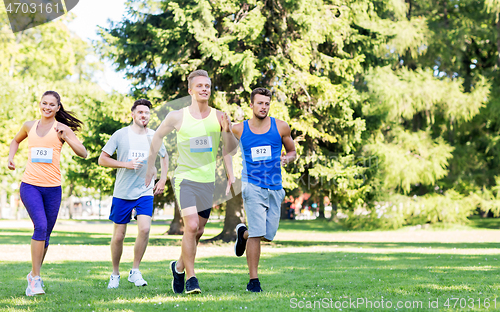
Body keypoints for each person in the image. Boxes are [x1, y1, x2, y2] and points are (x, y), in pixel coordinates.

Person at [146, 69, 238, 294]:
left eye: (207, 86)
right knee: (192, 226)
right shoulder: (177, 116)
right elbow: (157, 136)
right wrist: (152, 165)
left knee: (197, 232)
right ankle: (191, 278)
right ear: (190, 90)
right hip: (185, 179)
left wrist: (231, 174)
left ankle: (178, 267)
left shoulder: (219, 116)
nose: (204, 89)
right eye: (199, 86)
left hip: (208, 182)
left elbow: (229, 149)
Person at [7, 91, 88, 296]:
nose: (47, 107)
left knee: (46, 235)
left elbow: (83, 152)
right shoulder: (29, 126)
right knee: (40, 226)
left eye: (52, 104)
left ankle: (34, 276)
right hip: (30, 185)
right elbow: (15, 141)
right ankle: (35, 279)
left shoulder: (62, 128)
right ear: (40, 104)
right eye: (44, 103)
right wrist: (11, 157)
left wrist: (66, 137)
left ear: (58, 107)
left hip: (53, 189)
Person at [98, 99, 168, 289]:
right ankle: (115, 274)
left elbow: (164, 155)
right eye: (140, 112)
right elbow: (102, 159)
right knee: (119, 236)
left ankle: (135, 271)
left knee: (144, 229)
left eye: (147, 113)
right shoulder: (120, 135)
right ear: (132, 114)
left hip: (145, 191)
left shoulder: (154, 135)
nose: (144, 116)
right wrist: (125, 164)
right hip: (123, 192)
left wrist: (162, 179)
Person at [232, 87, 296, 292]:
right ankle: (254, 281)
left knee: (268, 235)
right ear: (251, 105)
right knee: (257, 233)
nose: (263, 107)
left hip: (275, 188)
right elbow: (223, 147)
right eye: (259, 103)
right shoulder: (239, 129)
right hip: (252, 185)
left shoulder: (281, 127)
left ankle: (243, 234)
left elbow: (293, 150)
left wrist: (288, 158)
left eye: (266, 103)